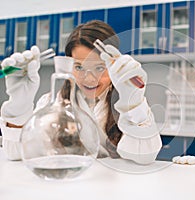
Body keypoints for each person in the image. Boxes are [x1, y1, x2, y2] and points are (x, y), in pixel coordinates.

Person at [0, 20, 162, 164]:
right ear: (68, 64)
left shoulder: (130, 105)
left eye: (99, 68)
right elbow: (16, 153)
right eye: (79, 67)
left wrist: (133, 104)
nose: (89, 79)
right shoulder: (51, 102)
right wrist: (18, 106)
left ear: (114, 66)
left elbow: (145, 157)